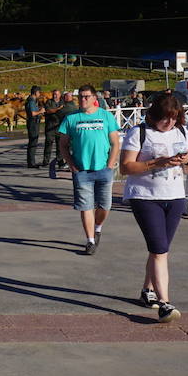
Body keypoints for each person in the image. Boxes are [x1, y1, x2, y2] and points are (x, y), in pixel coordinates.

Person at [119, 92, 188, 322]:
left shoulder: (182, 132)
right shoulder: (139, 132)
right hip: (145, 197)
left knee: (159, 250)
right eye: (165, 118)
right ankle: (165, 304)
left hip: (175, 196)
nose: (169, 122)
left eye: (174, 118)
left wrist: (185, 160)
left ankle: (147, 290)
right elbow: (125, 167)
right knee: (160, 250)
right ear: (154, 115)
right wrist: (156, 162)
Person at [57, 85, 121, 255]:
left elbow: (115, 143)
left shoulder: (106, 116)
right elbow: (63, 145)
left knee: (105, 206)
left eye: (86, 96)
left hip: (103, 169)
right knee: (86, 206)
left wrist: (110, 165)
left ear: (94, 98)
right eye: (80, 97)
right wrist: (72, 165)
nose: (83, 99)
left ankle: (97, 228)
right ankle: (90, 240)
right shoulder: (71, 119)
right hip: (82, 171)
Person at [47, 91, 78, 179]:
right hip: (72, 130)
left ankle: (68, 163)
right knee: (70, 147)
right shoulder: (74, 106)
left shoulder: (66, 107)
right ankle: (66, 163)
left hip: (66, 129)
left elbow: (58, 114)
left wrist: (54, 111)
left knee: (64, 146)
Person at [25, 85, 42, 167]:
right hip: (33, 123)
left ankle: (31, 161)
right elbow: (32, 113)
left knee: (33, 142)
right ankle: (31, 163)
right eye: (39, 92)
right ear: (36, 92)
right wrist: (40, 111)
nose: (40, 94)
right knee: (33, 142)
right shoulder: (31, 101)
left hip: (34, 123)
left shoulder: (33, 101)